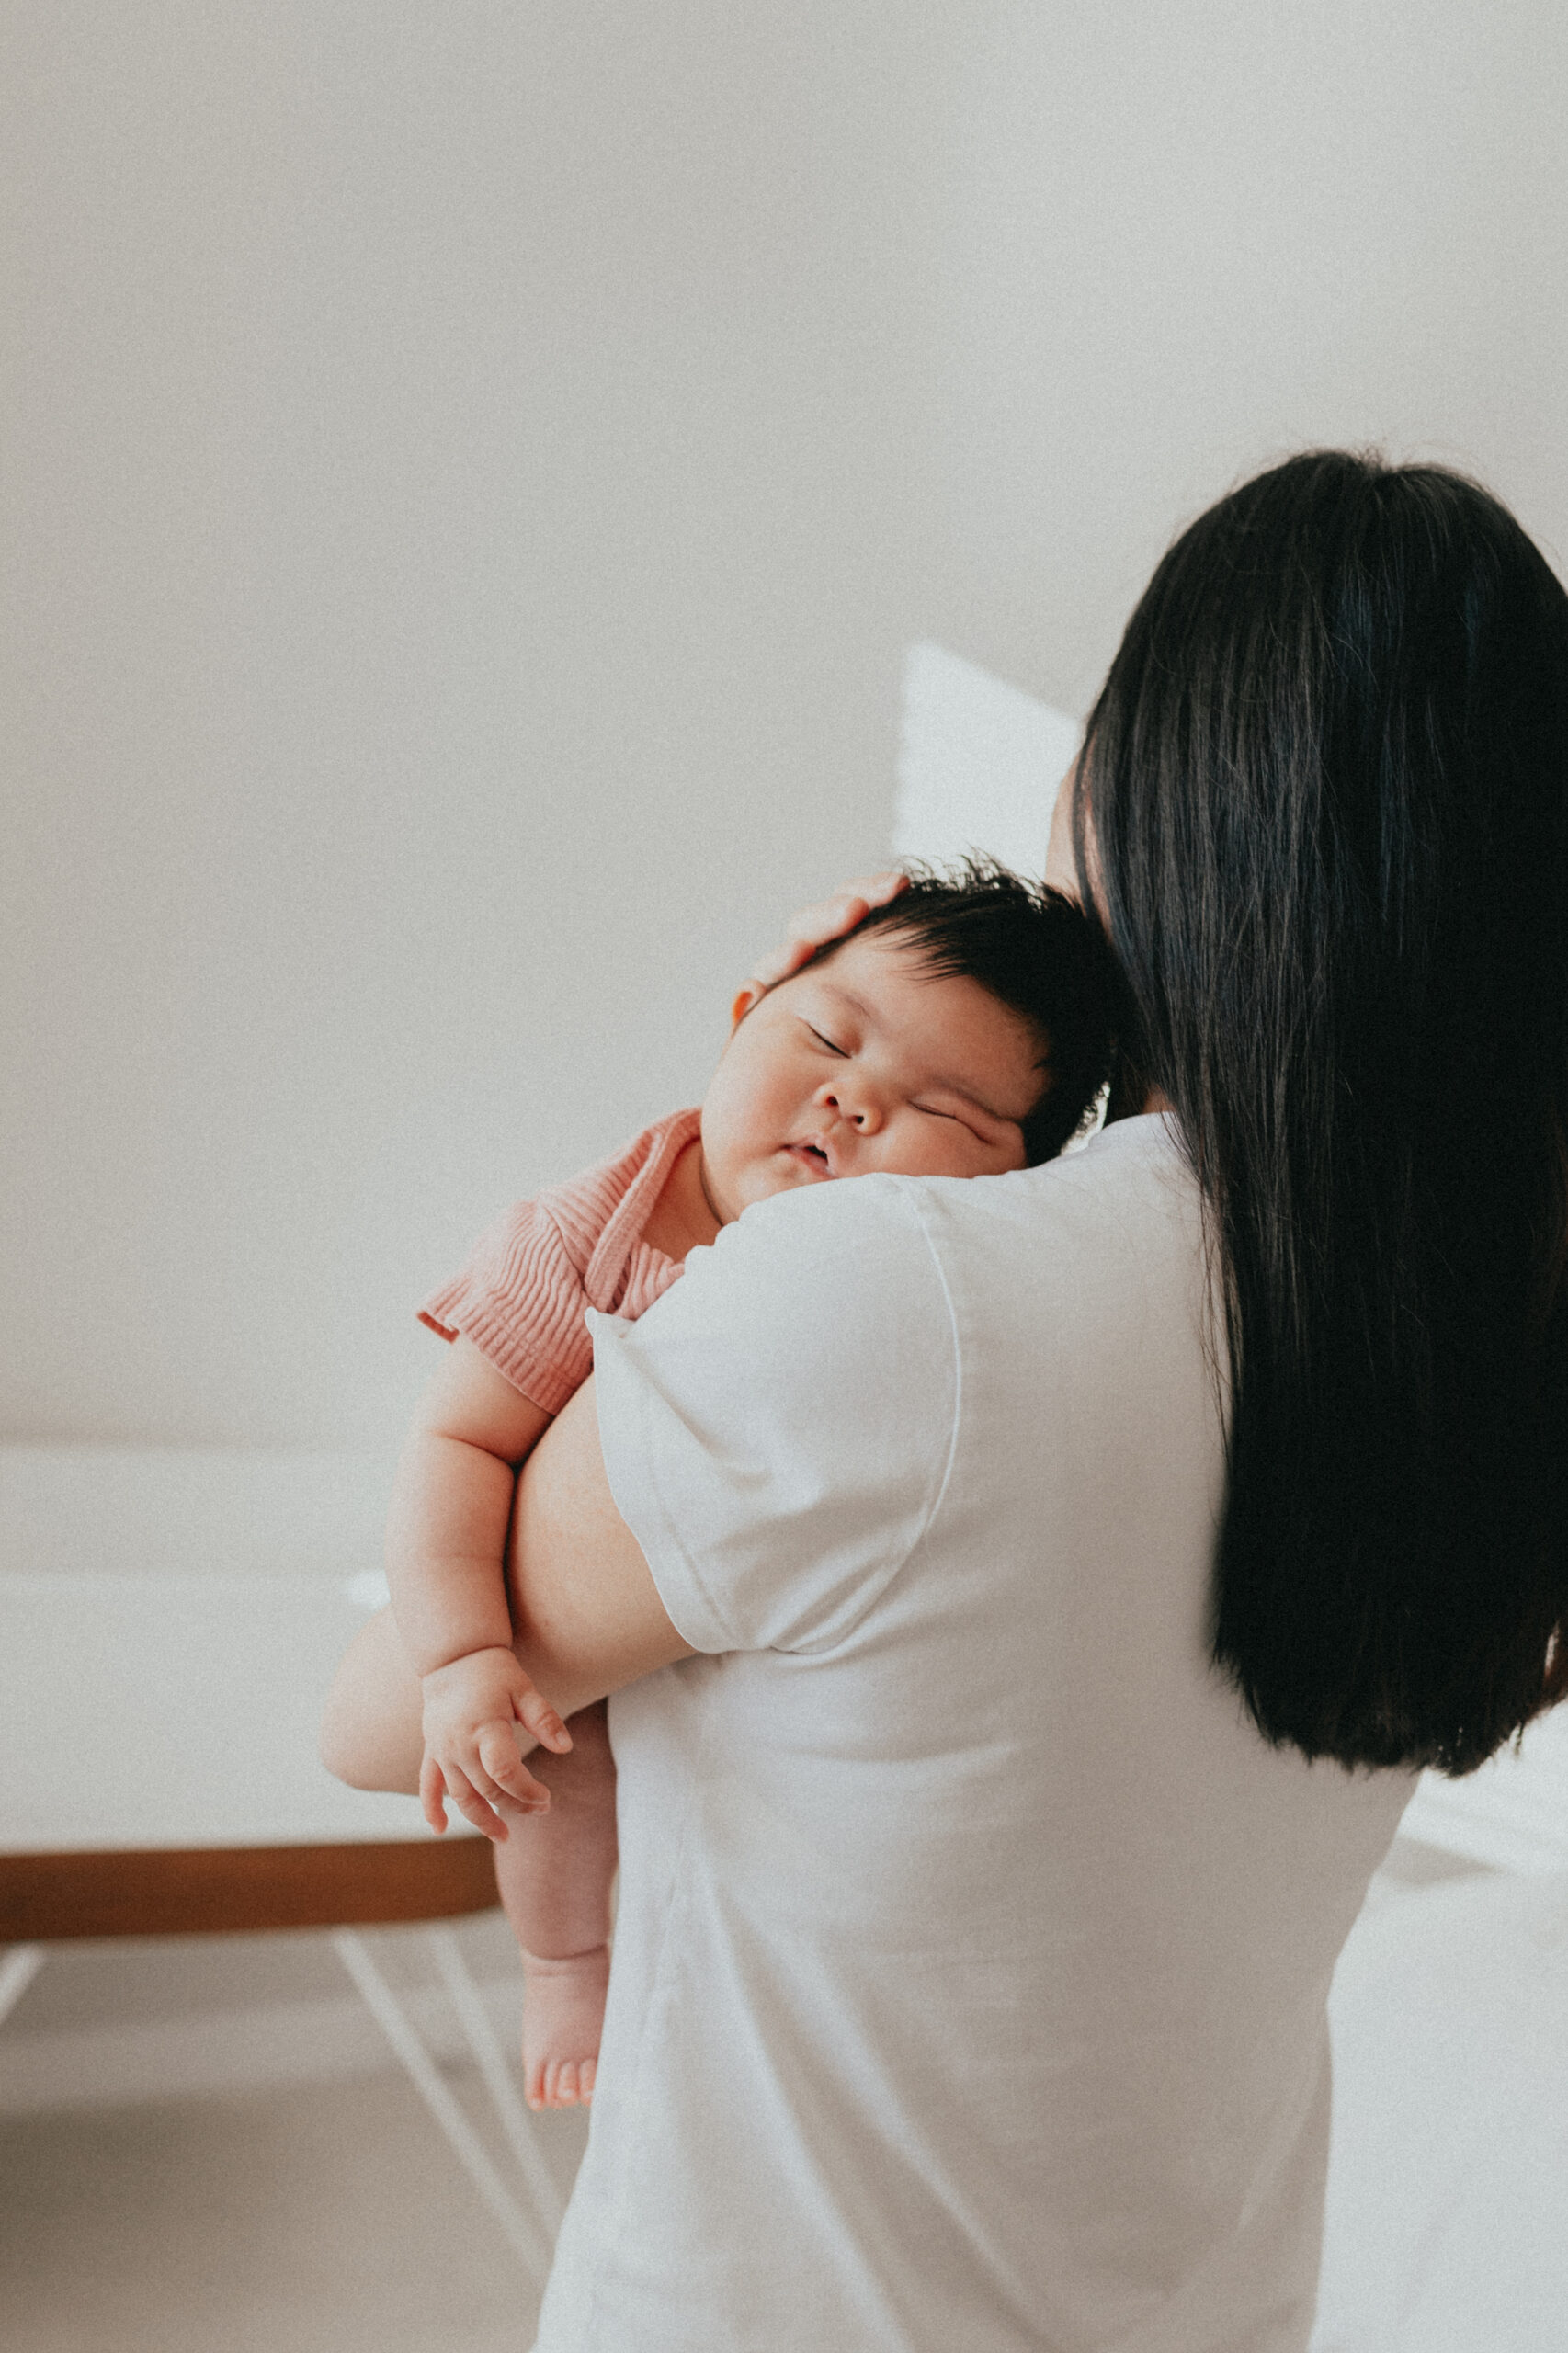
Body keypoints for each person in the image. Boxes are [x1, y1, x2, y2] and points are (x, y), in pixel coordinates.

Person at [321, 450, 1568, 2352]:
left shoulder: (897, 1296)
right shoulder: (1473, 1362)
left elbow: (372, 1714)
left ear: (1154, 803)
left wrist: (744, 1133)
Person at [347, 865, 1117, 2109]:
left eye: (946, 1110)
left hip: (769, 1661)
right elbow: (456, 1451)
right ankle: (562, 1967)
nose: (851, 1100)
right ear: (740, 1012)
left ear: (1013, 1188)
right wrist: (459, 1656)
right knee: (555, 1764)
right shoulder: (587, 1235)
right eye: (824, 1037)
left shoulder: (931, 1305)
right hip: (535, 1604)